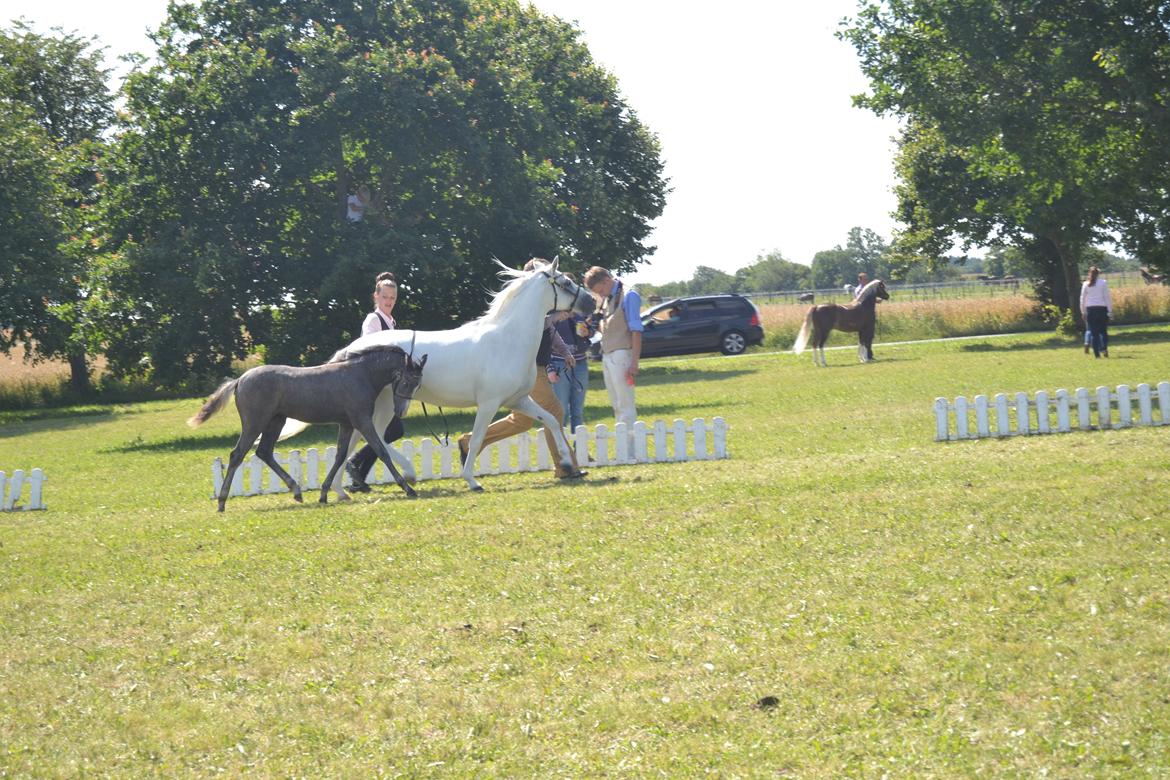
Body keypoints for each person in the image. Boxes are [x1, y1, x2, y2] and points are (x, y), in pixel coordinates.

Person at [456, 260, 587, 480]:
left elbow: (551, 332)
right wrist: (556, 315)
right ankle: (566, 466)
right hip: (529, 371)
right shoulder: (528, 309)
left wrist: (564, 352)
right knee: (554, 411)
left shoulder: (540, 308)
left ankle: (469, 442)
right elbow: (541, 325)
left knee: (522, 421)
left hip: (538, 369)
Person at [346, 272, 404, 491]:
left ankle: (358, 475)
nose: (389, 301)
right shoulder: (373, 320)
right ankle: (355, 464)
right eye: (385, 297)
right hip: (372, 387)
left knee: (388, 431)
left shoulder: (390, 322)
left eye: (393, 298)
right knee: (393, 430)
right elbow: (369, 351)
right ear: (376, 297)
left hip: (384, 387)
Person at [583, 266, 642, 433]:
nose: (600, 294)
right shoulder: (609, 298)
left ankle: (630, 450)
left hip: (622, 353)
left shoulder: (629, 295)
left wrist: (634, 362)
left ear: (606, 280)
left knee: (625, 404)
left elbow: (636, 330)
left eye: (601, 290)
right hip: (608, 353)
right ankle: (624, 445)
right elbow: (610, 326)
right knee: (616, 404)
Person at [547, 308, 594, 433]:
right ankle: (560, 447)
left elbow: (591, 330)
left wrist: (588, 332)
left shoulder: (580, 312)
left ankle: (578, 448)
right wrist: (550, 367)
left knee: (578, 410)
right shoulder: (552, 314)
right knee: (562, 410)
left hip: (581, 363)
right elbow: (544, 340)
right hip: (559, 364)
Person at [1080, 265, 1112, 358]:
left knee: (1094, 333)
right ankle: (1104, 348)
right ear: (1098, 274)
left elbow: (1082, 299)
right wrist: (1110, 311)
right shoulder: (1103, 283)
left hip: (1090, 309)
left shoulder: (1086, 284)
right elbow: (1107, 297)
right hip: (1102, 309)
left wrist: (1083, 311)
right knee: (1103, 332)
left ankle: (1097, 354)